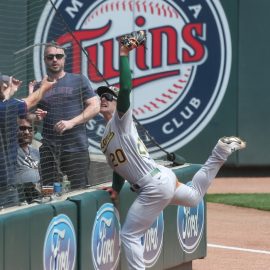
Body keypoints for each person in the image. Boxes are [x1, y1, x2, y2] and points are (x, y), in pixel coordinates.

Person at [97, 32, 246, 270]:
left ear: (116, 103)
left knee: (129, 235)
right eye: (100, 96)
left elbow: (125, 87)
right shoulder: (105, 136)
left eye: (108, 96)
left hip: (152, 184)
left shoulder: (120, 120)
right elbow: (118, 166)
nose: (102, 98)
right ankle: (220, 150)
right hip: (160, 177)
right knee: (195, 196)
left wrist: (124, 54)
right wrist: (116, 189)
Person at [33, 42, 100, 189]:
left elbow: (95, 106)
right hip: (49, 149)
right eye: (50, 57)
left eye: (58, 56)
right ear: (45, 60)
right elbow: (32, 121)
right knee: (48, 192)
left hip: (75, 148)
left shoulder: (79, 80)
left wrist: (71, 122)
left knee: (79, 191)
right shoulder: (39, 86)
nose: (55, 60)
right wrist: (37, 119)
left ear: (64, 59)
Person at [0, 73, 54, 208]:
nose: (6, 86)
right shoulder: (6, 107)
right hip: (5, 187)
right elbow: (30, 102)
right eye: (3, 84)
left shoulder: (5, 107)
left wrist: (9, 91)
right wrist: (44, 87)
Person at [16, 116, 41, 204]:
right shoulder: (11, 152)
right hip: (22, 198)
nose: (27, 132)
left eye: (30, 129)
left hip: (40, 196)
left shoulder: (36, 152)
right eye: (22, 129)